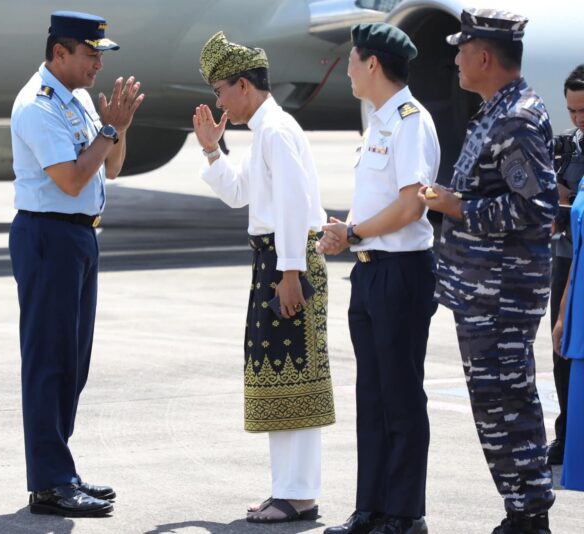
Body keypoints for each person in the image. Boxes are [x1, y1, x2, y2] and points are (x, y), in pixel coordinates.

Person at [419, 8, 556, 533]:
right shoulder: (496, 111)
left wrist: (457, 207)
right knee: (494, 404)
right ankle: (520, 511)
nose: (455, 60)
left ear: (483, 57)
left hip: (502, 292)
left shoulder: (516, 118)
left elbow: (537, 208)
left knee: (507, 404)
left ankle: (530, 515)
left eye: (461, 50)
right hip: (484, 290)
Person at [193, 30, 335, 524]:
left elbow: (295, 205)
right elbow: (239, 194)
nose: (218, 101)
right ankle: (288, 491)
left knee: (296, 374)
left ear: (243, 85)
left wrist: (290, 271)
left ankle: (299, 494)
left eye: (220, 90)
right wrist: (212, 150)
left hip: (286, 261)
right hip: (274, 261)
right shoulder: (265, 131)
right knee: (278, 373)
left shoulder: (275, 130)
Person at [8, 11, 144, 518]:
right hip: (49, 236)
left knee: (73, 362)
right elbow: (70, 179)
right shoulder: (38, 105)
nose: (97, 65)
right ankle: (50, 482)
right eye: (90, 55)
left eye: (100, 56)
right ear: (59, 53)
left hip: (79, 237)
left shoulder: (79, 99)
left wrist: (117, 129)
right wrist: (110, 128)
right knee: (49, 360)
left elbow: (111, 167)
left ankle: (59, 468)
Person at [318, 23, 438, 534]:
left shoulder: (411, 121)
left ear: (372, 64)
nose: (345, 69)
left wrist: (353, 232)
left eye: (350, 60)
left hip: (401, 272)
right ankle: (371, 508)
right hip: (369, 271)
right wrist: (345, 233)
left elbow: (412, 206)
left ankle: (405, 514)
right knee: (372, 397)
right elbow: (377, 200)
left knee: (401, 397)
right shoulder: (379, 120)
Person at [547, 64, 584, 466]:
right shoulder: (563, 148)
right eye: (572, 111)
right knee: (561, 345)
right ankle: (567, 432)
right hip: (567, 256)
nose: (577, 119)